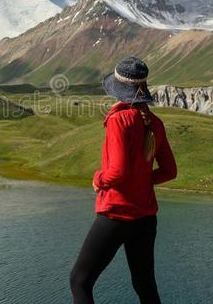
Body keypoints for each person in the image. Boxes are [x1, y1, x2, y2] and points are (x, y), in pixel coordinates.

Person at [69, 56, 177, 304]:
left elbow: (117, 172)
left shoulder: (119, 120)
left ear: (119, 90)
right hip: (146, 217)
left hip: (117, 214)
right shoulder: (155, 123)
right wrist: (142, 181)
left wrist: (99, 178)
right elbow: (170, 171)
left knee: (79, 280)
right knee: (144, 284)